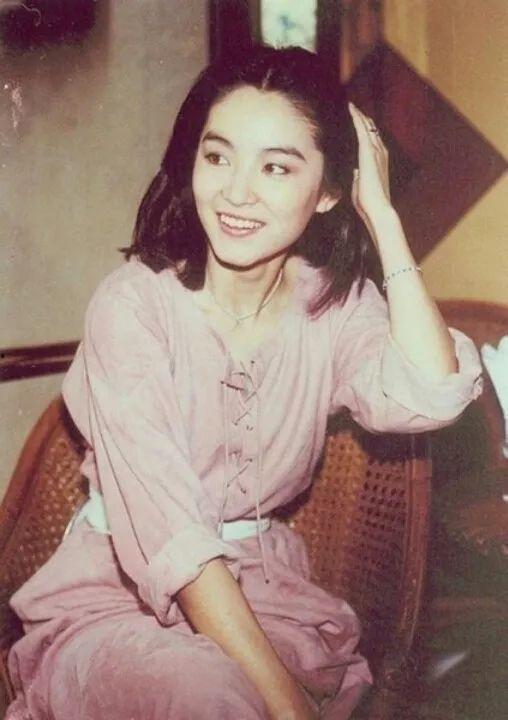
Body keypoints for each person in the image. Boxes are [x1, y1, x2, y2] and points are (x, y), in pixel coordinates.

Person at [6, 45, 482, 720]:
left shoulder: (334, 307)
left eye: (276, 167)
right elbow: (171, 535)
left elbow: (429, 395)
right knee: (208, 694)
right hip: (115, 595)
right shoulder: (133, 307)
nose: (235, 192)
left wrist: (383, 216)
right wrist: (290, 709)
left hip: (265, 592)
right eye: (218, 156)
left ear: (328, 191)